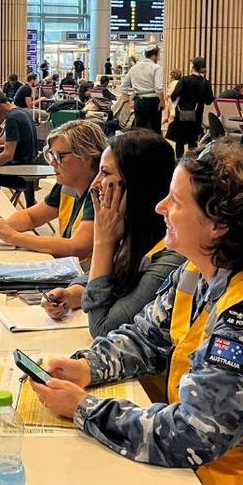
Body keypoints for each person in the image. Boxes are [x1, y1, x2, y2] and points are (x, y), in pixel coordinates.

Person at [31, 141, 243, 485]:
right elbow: (145, 337)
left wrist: (84, 409)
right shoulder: (200, 271)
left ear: (217, 225)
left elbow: (190, 436)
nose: (160, 207)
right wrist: (86, 366)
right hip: (240, 470)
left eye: (175, 201)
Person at [42, 130, 184, 337]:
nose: (95, 183)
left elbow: (103, 328)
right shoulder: (134, 228)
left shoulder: (171, 256)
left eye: (106, 173)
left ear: (136, 183)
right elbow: (112, 272)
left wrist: (103, 241)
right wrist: (72, 294)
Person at [0, 120, 104, 263]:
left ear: (86, 157)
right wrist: (0, 226)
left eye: (60, 156)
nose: (53, 163)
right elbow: (31, 217)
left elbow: (77, 248)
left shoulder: (100, 192)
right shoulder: (67, 185)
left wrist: (13, 237)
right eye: (51, 156)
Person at [0, 90, 40, 200]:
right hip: (30, 167)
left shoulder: (13, 119)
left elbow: (8, 155)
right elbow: (2, 142)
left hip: (20, 172)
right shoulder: (21, 112)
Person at [167, 57, 214, 160]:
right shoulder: (205, 83)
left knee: (179, 140)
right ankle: (192, 161)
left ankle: (179, 160)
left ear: (193, 67)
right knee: (192, 139)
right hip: (196, 115)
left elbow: (174, 95)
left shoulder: (184, 80)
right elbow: (209, 101)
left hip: (182, 113)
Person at [119, 47, 165, 132]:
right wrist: (162, 102)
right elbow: (159, 88)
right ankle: (154, 145)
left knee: (139, 128)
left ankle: (140, 144)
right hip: (153, 102)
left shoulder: (134, 68)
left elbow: (123, 87)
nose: (159, 58)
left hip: (139, 102)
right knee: (155, 128)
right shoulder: (157, 68)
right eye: (159, 55)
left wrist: (127, 102)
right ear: (154, 56)